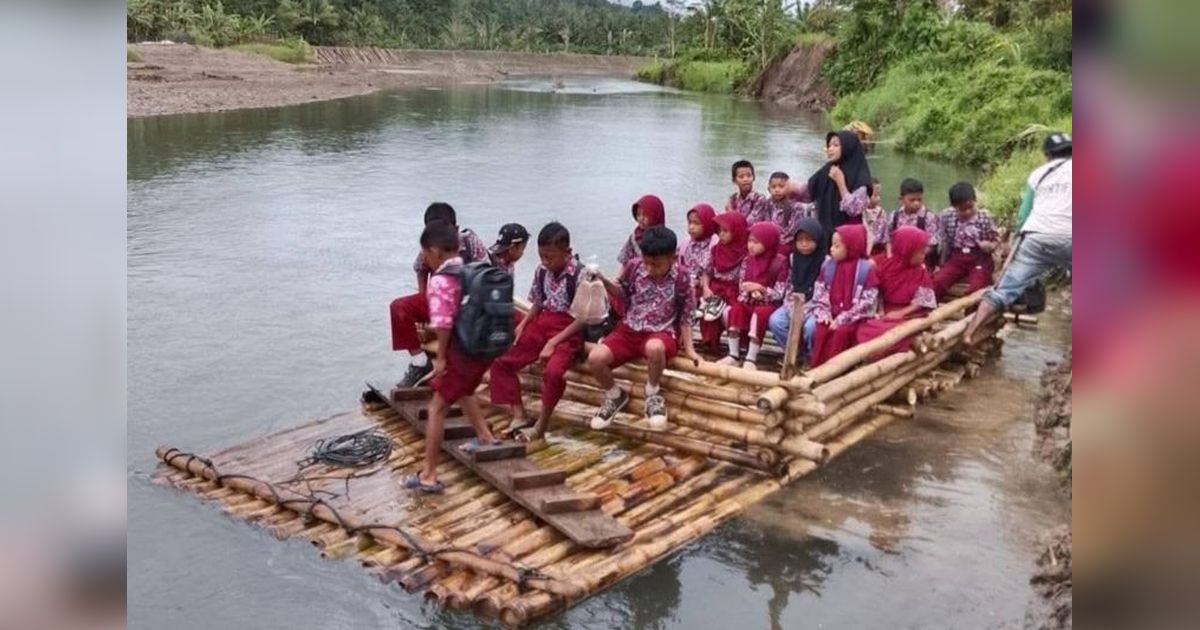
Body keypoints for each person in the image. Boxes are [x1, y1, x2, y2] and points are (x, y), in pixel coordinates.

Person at [402, 223, 501, 493]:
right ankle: (485, 436)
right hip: (486, 350)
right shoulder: (472, 270)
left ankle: (429, 475)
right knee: (464, 389)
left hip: (463, 352)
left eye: (425, 253)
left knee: (436, 408)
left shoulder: (441, 280)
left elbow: (444, 324)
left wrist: (442, 358)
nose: (425, 259)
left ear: (433, 251)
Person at [586, 227, 701, 430]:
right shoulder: (634, 268)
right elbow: (621, 293)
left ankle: (652, 393)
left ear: (673, 258)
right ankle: (615, 395)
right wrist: (603, 281)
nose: (649, 268)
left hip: (662, 331)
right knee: (595, 359)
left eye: (656, 264)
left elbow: (686, 316)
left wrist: (690, 349)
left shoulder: (683, 279)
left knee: (655, 348)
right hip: (629, 329)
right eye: (646, 262)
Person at [965, 132, 1073, 344]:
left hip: (1036, 237)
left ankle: (969, 332)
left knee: (1003, 290)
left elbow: (1024, 215)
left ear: (1047, 155)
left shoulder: (1038, 174)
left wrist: (1015, 244)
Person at [487, 223, 586, 442]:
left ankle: (541, 424)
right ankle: (518, 414)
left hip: (568, 331)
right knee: (501, 359)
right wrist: (523, 326)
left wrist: (553, 343)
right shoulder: (542, 271)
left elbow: (583, 319)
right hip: (542, 323)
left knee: (553, 373)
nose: (545, 262)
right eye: (542, 256)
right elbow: (539, 303)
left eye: (550, 257)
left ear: (567, 253)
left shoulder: (580, 275)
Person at [390, 202, 489, 388]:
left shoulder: (469, 241)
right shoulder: (429, 246)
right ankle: (419, 362)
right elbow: (420, 268)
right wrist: (423, 297)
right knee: (399, 307)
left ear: (455, 229)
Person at [855, 226, 938, 357]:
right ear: (906, 251)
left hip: (908, 314)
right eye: (920, 253)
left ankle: (880, 353)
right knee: (865, 327)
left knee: (891, 332)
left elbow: (922, 301)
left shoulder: (921, 271)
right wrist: (880, 310)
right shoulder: (887, 265)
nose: (924, 256)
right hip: (886, 311)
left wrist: (900, 313)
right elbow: (878, 291)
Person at [806, 224, 880, 367]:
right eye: (831, 245)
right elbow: (820, 291)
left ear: (851, 246)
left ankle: (835, 370)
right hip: (830, 313)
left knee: (842, 333)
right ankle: (816, 366)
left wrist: (842, 318)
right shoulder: (828, 266)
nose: (831, 249)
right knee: (821, 329)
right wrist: (824, 312)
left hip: (853, 317)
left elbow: (868, 301)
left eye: (837, 246)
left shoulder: (865, 269)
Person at [721, 223, 789, 369]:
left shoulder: (780, 262)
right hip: (749, 300)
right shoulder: (747, 260)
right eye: (749, 241)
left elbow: (779, 293)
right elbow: (742, 285)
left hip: (768, 304)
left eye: (756, 242)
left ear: (768, 242)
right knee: (736, 310)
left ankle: (751, 358)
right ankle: (734, 354)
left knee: (760, 314)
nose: (751, 246)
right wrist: (749, 290)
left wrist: (761, 289)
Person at [792, 130, 873, 240]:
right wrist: (787, 188)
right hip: (824, 232)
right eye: (829, 145)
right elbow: (807, 193)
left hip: (847, 237)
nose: (830, 149)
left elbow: (854, 210)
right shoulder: (827, 169)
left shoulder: (860, 175)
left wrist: (840, 183)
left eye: (835, 145)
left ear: (848, 147)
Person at [767, 217, 826, 360]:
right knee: (776, 321)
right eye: (800, 240)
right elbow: (787, 285)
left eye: (809, 240)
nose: (804, 244)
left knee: (811, 327)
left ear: (818, 240)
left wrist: (806, 307)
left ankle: (812, 356)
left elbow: (825, 291)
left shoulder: (825, 262)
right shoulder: (793, 258)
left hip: (816, 304)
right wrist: (791, 305)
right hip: (793, 302)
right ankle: (795, 354)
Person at [933, 182, 1000, 300]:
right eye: (962, 209)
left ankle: (972, 316)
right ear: (953, 206)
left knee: (977, 287)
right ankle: (930, 311)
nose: (967, 212)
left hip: (980, 258)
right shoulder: (947, 216)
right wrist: (940, 264)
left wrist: (989, 245)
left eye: (970, 207)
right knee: (938, 281)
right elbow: (945, 242)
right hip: (957, 257)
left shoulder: (984, 217)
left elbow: (996, 240)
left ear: (975, 201)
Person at [699, 212, 748, 350]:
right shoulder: (716, 250)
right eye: (719, 231)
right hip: (716, 287)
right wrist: (706, 288)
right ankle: (710, 343)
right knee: (708, 308)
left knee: (733, 311)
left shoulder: (745, 253)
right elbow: (707, 271)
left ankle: (738, 345)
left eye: (725, 231)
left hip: (735, 290)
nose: (721, 234)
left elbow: (745, 278)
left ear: (737, 231)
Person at [884, 177, 940, 268]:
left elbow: (932, 245)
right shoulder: (894, 216)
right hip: (897, 256)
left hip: (919, 258)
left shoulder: (928, 217)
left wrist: (916, 257)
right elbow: (888, 240)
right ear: (901, 199)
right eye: (912, 200)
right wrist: (890, 255)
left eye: (919, 200)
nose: (916, 203)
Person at [617, 194, 666, 270]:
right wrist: (619, 279)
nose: (641, 218)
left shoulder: (665, 238)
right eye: (638, 215)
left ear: (655, 215)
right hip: (635, 277)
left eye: (645, 215)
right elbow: (624, 262)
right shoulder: (634, 237)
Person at [680, 203, 717, 292]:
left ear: (707, 223)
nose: (691, 227)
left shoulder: (714, 245)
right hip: (686, 285)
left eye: (696, 223)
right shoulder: (686, 244)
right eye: (689, 222)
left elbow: (712, 272)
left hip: (705, 288)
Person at [766, 171, 811, 237]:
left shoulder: (796, 207)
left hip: (787, 241)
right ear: (769, 189)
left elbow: (793, 231)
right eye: (773, 187)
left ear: (789, 187)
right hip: (770, 238)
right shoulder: (768, 204)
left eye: (781, 187)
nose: (777, 190)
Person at [725, 160, 770, 224]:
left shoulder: (759, 199)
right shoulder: (733, 199)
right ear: (734, 180)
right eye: (741, 177)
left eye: (749, 176)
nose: (745, 179)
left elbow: (750, 223)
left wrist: (730, 212)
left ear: (753, 177)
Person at [862, 177, 888, 262]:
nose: (878, 198)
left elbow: (884, 236)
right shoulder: (859, 212)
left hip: (876, 251)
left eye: (879, 195)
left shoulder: (881, 213)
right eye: (875, 195)